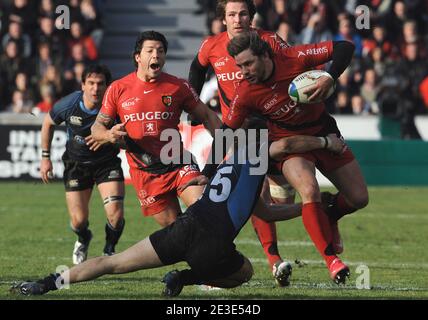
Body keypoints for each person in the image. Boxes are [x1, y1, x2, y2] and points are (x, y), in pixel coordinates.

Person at [10, 133, 346, 297]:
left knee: (112, 263)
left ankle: (44, 285)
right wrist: (326, 143)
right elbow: (285, 149)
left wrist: (307, 208)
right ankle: (184, 279)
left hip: (184, 229)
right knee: (244, 273)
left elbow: (266, 212)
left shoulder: (230, 166)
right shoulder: (257, 153)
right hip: (212, 244)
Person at [201, 32, 369, 284]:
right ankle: (332, 261)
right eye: (239, 66)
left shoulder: (294, 57)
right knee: (309, 189)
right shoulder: (246, 92)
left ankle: (330, 212)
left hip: (324, 130)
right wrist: (207, 172)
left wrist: (329, 78)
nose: (243, 71)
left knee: (359, 198)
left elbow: (345, 47)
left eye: (248, 64)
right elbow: (225, 133)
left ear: (265, 55)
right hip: (291, 144)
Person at [188, 0, 294, 286]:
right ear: (223, 19)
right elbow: (196, 70)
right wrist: (193, 104)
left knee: (285, 195)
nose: (238, 19)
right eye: (232, 14)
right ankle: (274, 260)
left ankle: (327, 221)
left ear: (251, 16)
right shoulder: (211, 46)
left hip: (277, 127)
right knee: (255, 195)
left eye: (243, 13)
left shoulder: (270, 41)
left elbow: (290, 72)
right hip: (240, 133)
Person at [90, 31, 222, 228]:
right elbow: (96, 127)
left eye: (161, 51)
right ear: (138, 57)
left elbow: (208, 116)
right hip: (146, 173)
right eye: (150, 50)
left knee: (204, 211)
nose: (156, 55)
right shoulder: (118, 88)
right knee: (177, 233)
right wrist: (109, 135)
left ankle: (225, 256)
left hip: (178, 163)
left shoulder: (178, 87)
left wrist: (225, 143)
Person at [39, 64, 126, 265]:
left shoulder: (116, 106)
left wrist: (108, 138)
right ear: (83, 85)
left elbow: (127, 138)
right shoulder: (70, 104)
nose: (96, 89)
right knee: (78, 221)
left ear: (108, 86)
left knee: (116, 215)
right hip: (76, 164)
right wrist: (45, 158)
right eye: (91, 83)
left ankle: (109, 251)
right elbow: (48, 123)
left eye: (100, 84)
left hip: (107, 164)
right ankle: (83, 238)